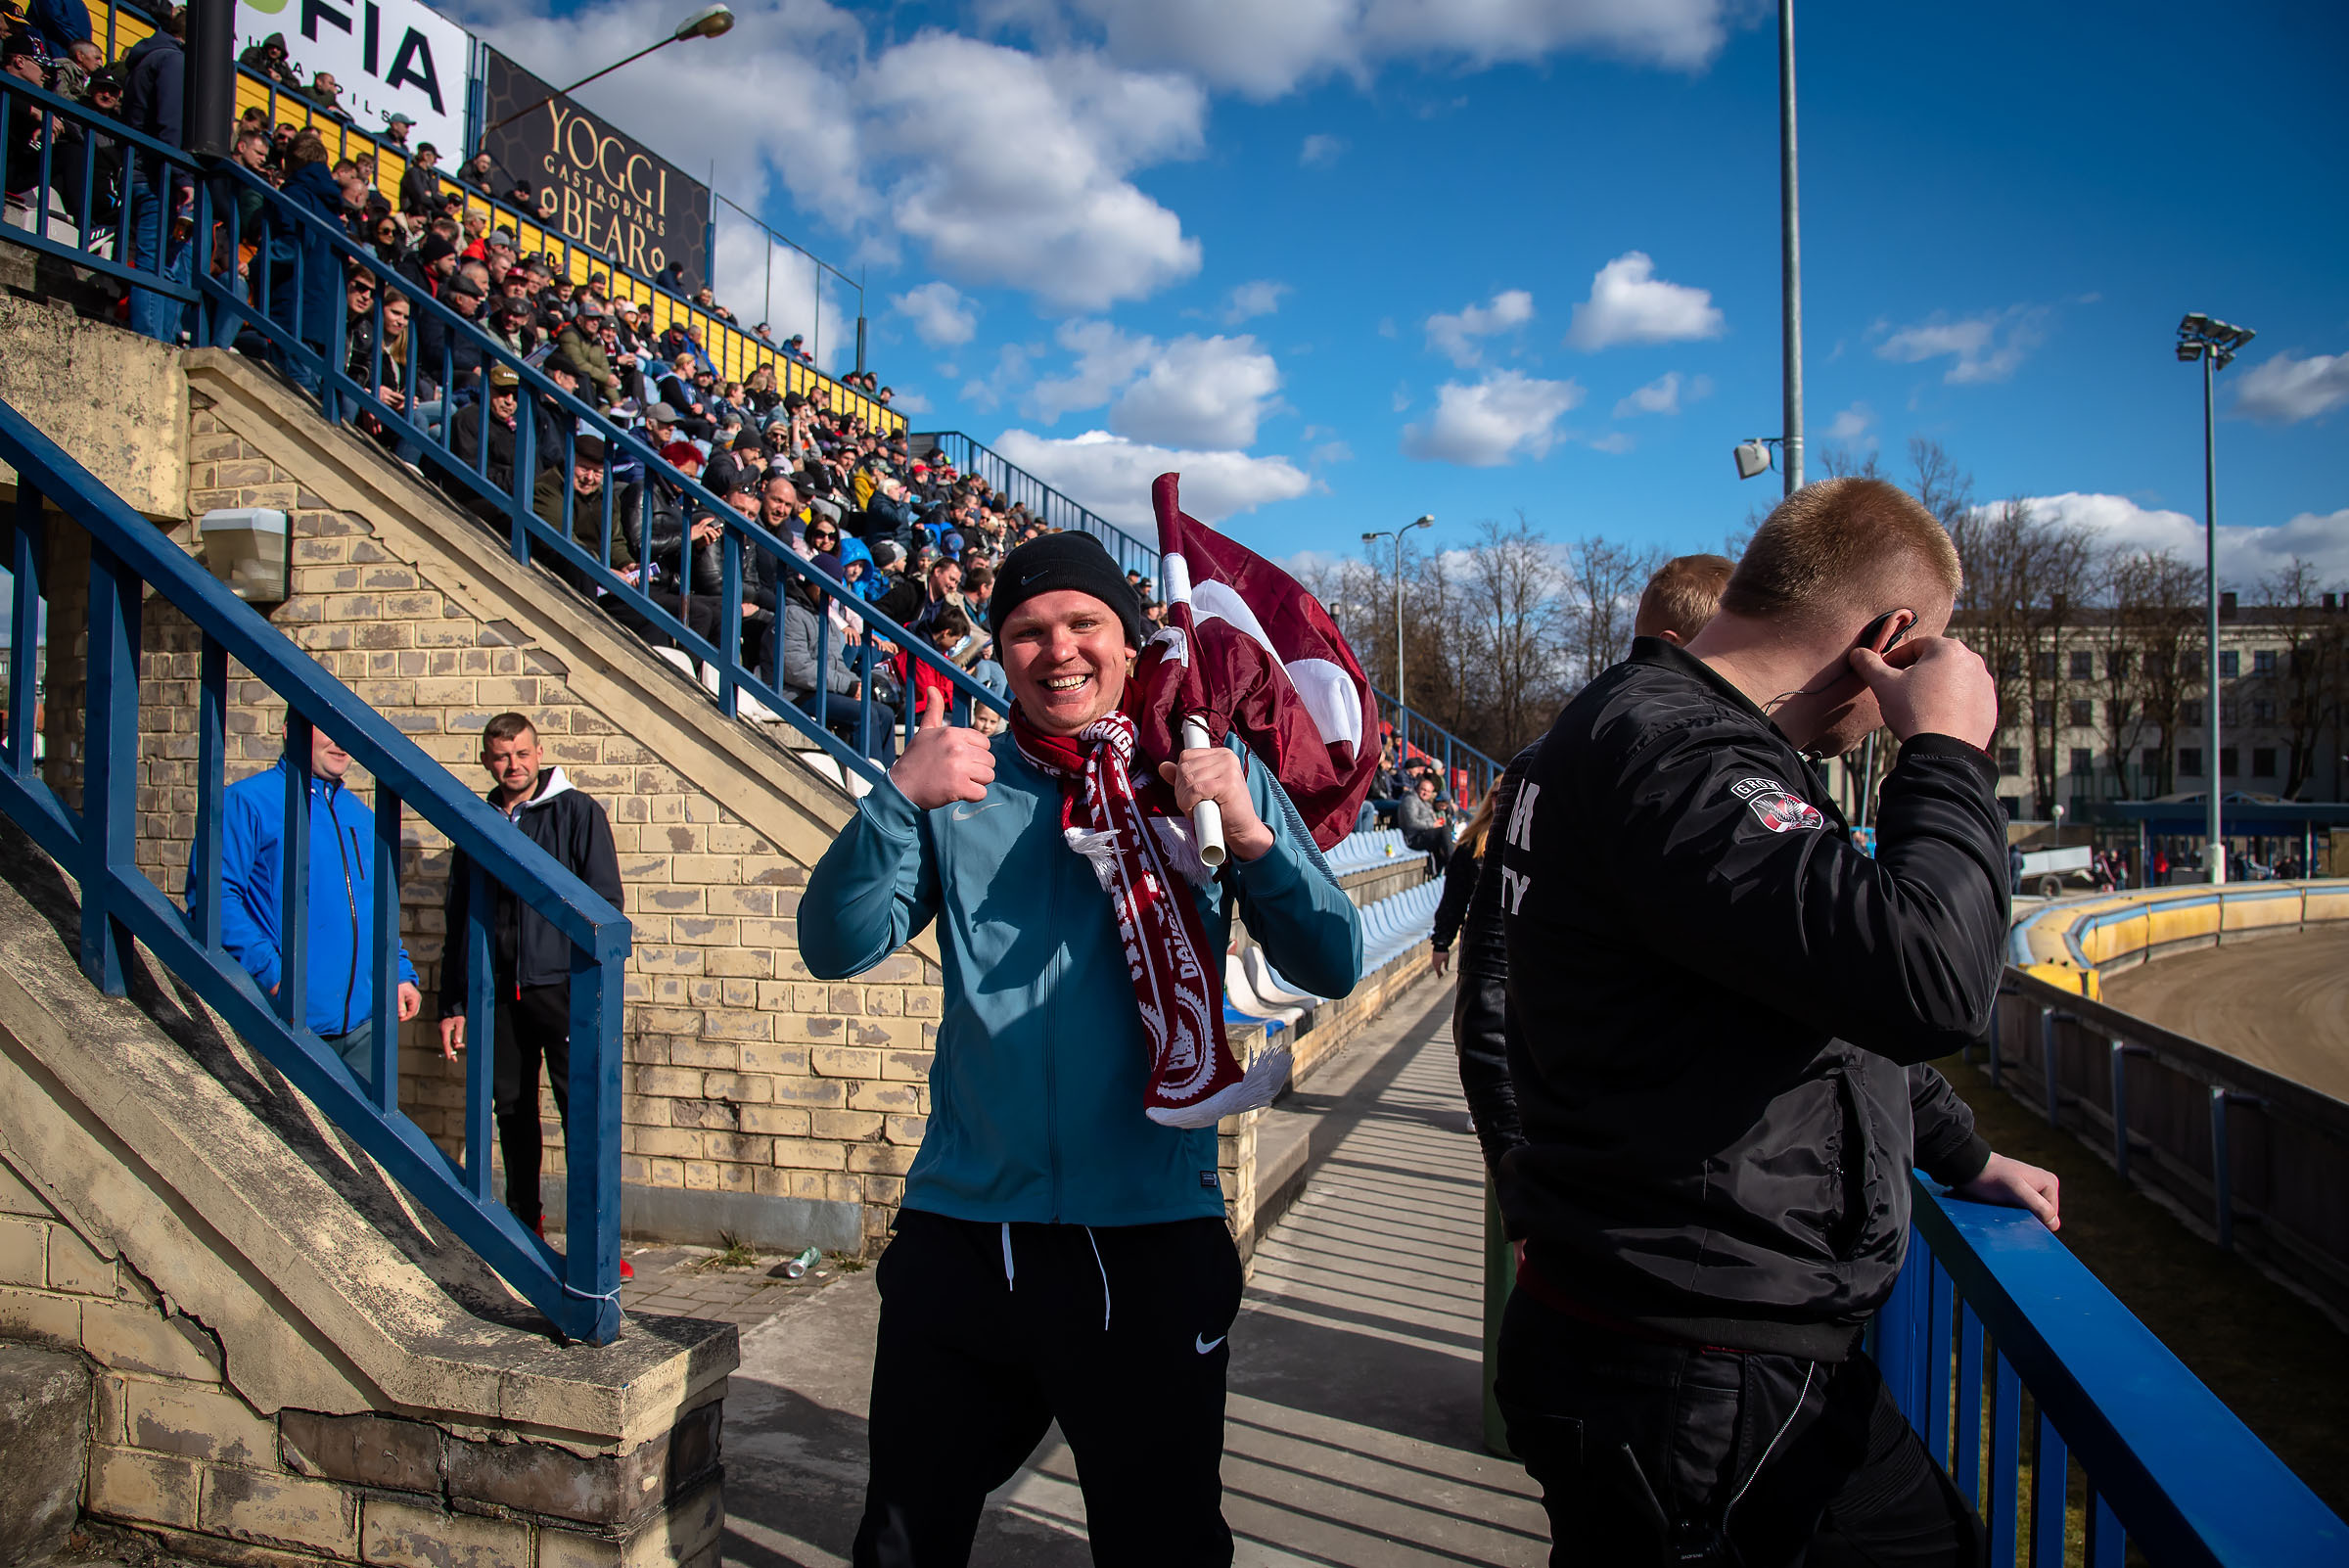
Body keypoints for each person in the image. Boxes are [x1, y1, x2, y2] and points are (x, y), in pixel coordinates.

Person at [1494, 478, 2062, 1567]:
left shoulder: (1669, 742)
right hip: (1694, 1361)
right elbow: (1929, 981)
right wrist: (1947, 753)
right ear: (1886, 639)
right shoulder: (1681, 757)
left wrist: (1963, 1150)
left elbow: (1810, 991)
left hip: (1686, 1340)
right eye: (1923, 654)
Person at [800, 530, 1361, 1567]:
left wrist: (1249, 835)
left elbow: (1332, 957)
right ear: (1001, 651)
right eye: (1025, 631)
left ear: (1128, 642)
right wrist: (892, 802)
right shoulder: (957, 787)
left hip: (1147, 1240)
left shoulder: (1202, 770)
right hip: (966, 1233)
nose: (1055, 650)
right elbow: (832, 947)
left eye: (1081, 624)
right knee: (902, 1538)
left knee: (1163, 1543)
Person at [437, 714, 630, 1276]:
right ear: (486, 760)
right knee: (513, 1112)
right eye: (501, 756)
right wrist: (453, 1003)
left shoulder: (578, 812)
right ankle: (525, 1227)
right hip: (499, 993)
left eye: (522, 753)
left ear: (538, 752)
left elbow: (605, 905)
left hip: (564, 991)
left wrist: (592, 988)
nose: (513, 765)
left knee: (582, 1115)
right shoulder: (478, 820)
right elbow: (459, 915)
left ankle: (598, 1244)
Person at [188, 718, 423, 1084]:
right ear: (289, 729)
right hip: (286, 1015)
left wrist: (399, 973)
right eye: (326, 727)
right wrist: (273, 974)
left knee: (355, 1140)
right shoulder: (247, 801)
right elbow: (213, 897)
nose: (340, 743)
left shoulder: (361, 815)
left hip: (365, 1025)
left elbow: (377, 908)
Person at [1397, 773, 1450, 874]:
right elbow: (1411, 823)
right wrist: (1433, 825)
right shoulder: (1410, 800)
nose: (1426, 793)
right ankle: (1452, 864)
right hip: (1413, 838)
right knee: (1444, 831)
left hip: (1424, 835)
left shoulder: (1425, 802)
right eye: (1423, 790)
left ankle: (1442, 874)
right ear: (1417, 788)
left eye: (1429, 791)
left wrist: (1435, 823)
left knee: (1445, 835)